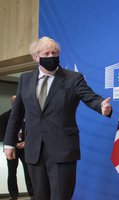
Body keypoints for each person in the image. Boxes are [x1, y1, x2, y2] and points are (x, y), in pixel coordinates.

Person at [3, 36, 112, 200]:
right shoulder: (25, 79)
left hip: (62, 150)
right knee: (39, 196)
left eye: (54, 53)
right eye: (46, 53)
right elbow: (16, 114)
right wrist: (9, 143)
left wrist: (101, 107)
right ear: (36, 57)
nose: (51, 57)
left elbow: (90, 97)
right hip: (34, 151)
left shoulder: (73, 78)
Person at [0, 95, 34, 200]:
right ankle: (13, 196)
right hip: (12, 149)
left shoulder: (28, 116)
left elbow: (33, 132)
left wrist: (26, 142)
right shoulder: (4, 117)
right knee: (12, 172)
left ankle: (33, 194)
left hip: (26, 148)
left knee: (29, 172)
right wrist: (13, 144)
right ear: (12, 103)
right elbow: (1, 134)